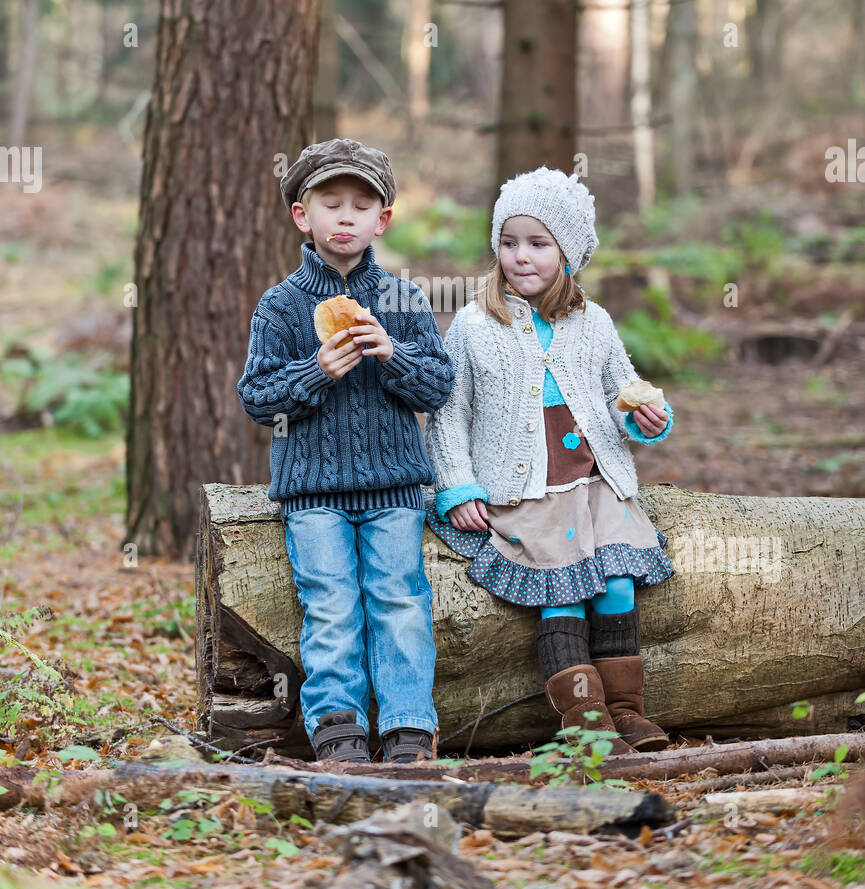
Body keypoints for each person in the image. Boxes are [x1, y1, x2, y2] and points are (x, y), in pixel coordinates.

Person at [423, 166, 676, 755]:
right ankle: (585, 723)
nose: (521, 256)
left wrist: (645, 418)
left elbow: (622, 393)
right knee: (560, 588)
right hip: (526, 494)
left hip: (595, 484)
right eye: (509, 243)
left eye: (538, 244)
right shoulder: (474, 324)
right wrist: (457, 488)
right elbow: (448, 414)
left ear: (569, 252)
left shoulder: (593, 323)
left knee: (615, 583)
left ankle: (628, 713)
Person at [237, 138, 455, 764]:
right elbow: (258, 399)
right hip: (314, 496)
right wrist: (315, 372)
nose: (345, 216)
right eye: (330, 203)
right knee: (330, 606)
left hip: (394, 492)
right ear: (303, 215)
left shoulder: (402, 300)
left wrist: (392, 353)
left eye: (361, 206)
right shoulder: (280, 306)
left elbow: (437, 386)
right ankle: (338, 729)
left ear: (382, 220)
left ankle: (410, 727)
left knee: (399, 602)